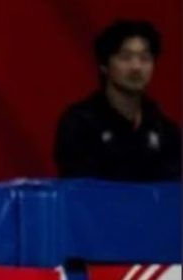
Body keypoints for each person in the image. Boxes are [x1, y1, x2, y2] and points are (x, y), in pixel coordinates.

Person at [54, 20, 181, 182]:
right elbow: (80, 192)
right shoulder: (79, 123)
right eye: (125, 57)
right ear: (104, 65)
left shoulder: (165, 130)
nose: (136, 67)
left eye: (145, 58)